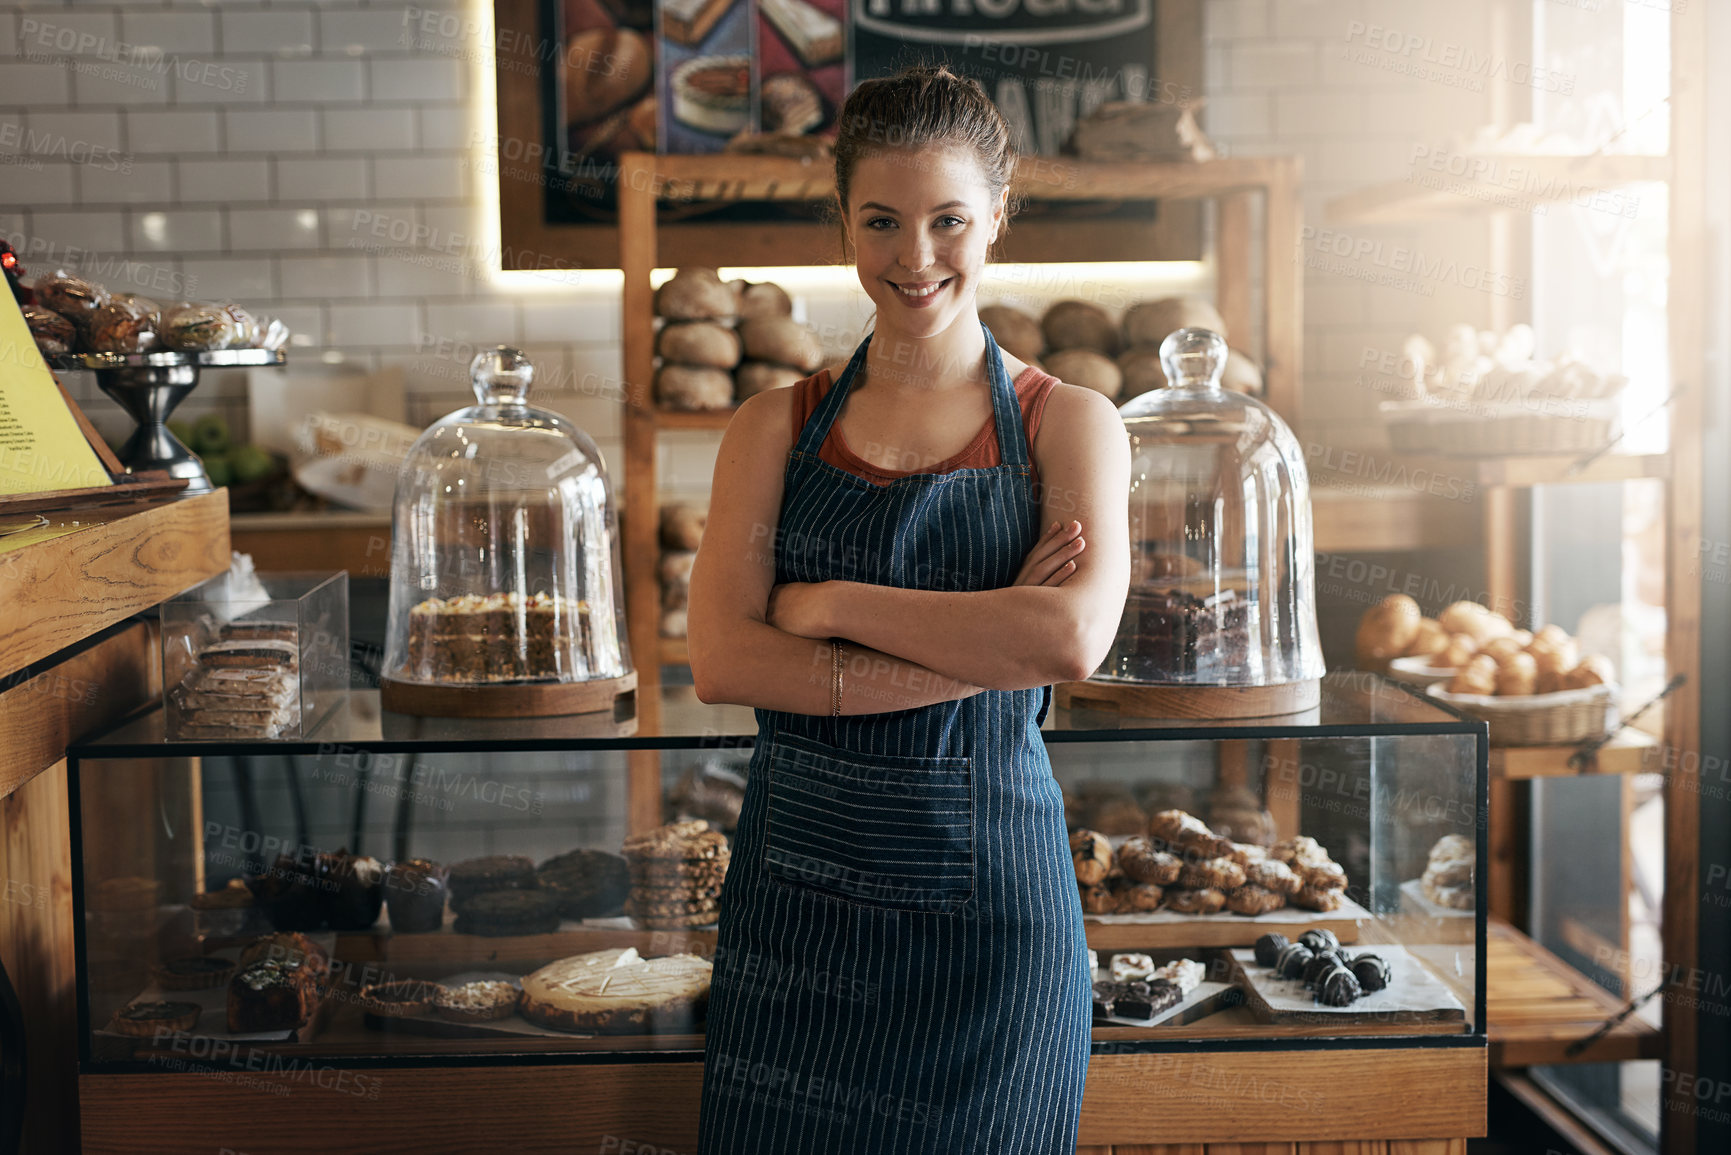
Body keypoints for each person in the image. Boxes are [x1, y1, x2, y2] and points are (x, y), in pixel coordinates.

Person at [686, 63, 1131, 1154]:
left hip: (995, 936)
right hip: (797, 922)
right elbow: (725, 661)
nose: (915, 256)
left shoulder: (1072, 423)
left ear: (997, 220)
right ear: (842, 217)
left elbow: (1068, 637)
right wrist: (988, 639)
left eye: (948, 221)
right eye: (882, 220)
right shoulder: (770, 426)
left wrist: (831, 602)